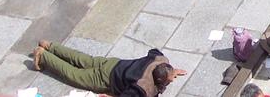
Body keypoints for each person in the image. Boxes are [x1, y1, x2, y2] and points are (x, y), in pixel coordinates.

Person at [33, 41, 184, 96]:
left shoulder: (159, 60)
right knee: (73, 74)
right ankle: (43, 56)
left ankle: (50, 46)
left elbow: (154, 51)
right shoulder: (144, 88)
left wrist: (171, 71)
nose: (172, 80)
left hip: (113, 64)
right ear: (158, 81)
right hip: (105, 80)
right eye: (169, 80)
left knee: (80, 58)